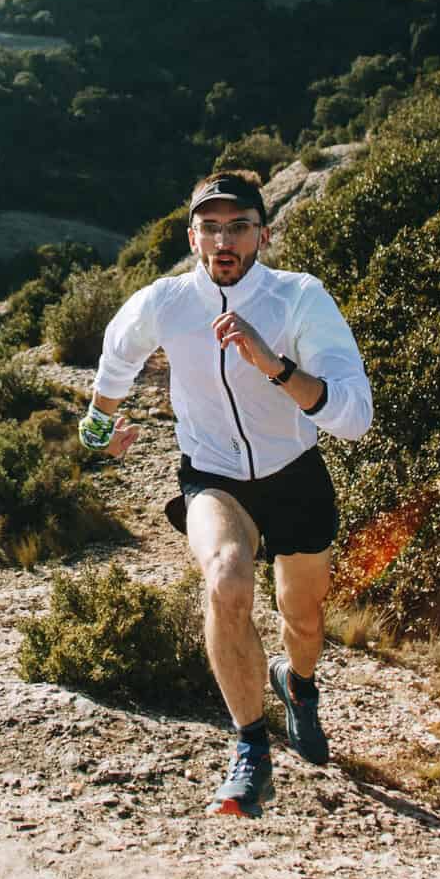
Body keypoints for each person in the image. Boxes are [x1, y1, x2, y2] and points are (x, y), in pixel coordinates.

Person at [80, 170, 372, 818]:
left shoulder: (299, 299)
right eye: (209, 227)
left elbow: (354, 417)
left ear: (262, 235)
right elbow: (116, 357)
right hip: (212, 477)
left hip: (295, 476)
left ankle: (297, 688)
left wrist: (276, 367)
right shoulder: (166, 301)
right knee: (226, 578)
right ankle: (250, 751)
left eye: (237, 225)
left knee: (301, 619)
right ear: (192, 237)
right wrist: (99, 431)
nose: (223, 239)